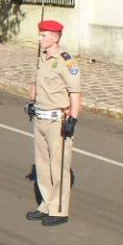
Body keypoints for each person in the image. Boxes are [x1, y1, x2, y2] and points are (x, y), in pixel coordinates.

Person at [25, 20, 81, 226]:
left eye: (44, 35)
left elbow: (75, 93)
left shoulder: (67, 62)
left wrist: (72, 119)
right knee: (43, 165)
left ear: (55, 37)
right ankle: (46, 204)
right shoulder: (42, 58)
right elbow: (36, 88)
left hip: (58, 121)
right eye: (40, 35)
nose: (39, 39)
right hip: (40, 118)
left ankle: (59, 210)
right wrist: (33, 100)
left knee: (58, 167)